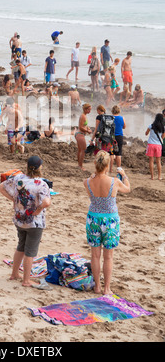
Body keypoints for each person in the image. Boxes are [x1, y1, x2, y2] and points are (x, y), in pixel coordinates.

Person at [0, 155, 51, 288]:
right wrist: (38, 209)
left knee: (21, 246)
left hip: (20, 219)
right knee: (30, 251)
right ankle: (26, 280)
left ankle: (14, 273)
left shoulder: (18, 178)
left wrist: (14, 200)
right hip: (34, 221)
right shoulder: (41, 184)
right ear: (39, 168)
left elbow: (1, 187)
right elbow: (46, 202)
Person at [83, 150, 130, 295]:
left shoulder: (87, 181)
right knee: (108, 256)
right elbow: (128, 189)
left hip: (93, 219)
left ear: (94, 164)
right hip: (110, 220)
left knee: (95, 255)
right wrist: (124, 175)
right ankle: (106, 288)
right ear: (108, 164)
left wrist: (93, 175)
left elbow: (93, 188)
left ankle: (97, 286)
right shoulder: (115, 182)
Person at [145, 113, 165, 180]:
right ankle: (159, 176)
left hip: (150, 144)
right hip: (158, 145)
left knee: (151, 161)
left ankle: (152, 176)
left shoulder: (151, 126)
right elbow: (163, 137)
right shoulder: (163, 128)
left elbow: (146, 133)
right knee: (158, 161)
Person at [75, 103, 92, 170]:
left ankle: (79, 165)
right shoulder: (83, 116)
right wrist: (88, 131)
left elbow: (84, 125)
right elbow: (81, 127)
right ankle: (80, 166)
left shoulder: (84, 115)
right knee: (83, 150)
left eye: (90, 110)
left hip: (79, 134)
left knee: (80, 150)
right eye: (89, 110)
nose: (90, 111)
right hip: (80, 134)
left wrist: (88, 128)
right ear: (85, 109)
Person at [109, 105, 126, 172]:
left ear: (112, 111)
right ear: (119, 111)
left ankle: (110, 169)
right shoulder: (122, 118)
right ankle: (119, 168)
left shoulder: (110, 118)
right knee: (119, 153)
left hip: (111, 136)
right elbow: (124, 127)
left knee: (111, 153)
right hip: (119, 136)